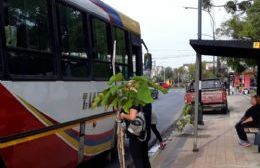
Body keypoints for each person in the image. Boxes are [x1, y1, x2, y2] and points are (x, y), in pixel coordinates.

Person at [120, 104, 152, 168]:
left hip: (136, 135)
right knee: (145, 159)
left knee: (138, 161)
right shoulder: (147, 100)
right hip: (146, 133)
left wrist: (123, 115)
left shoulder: (135, 100)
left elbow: (132, 117)